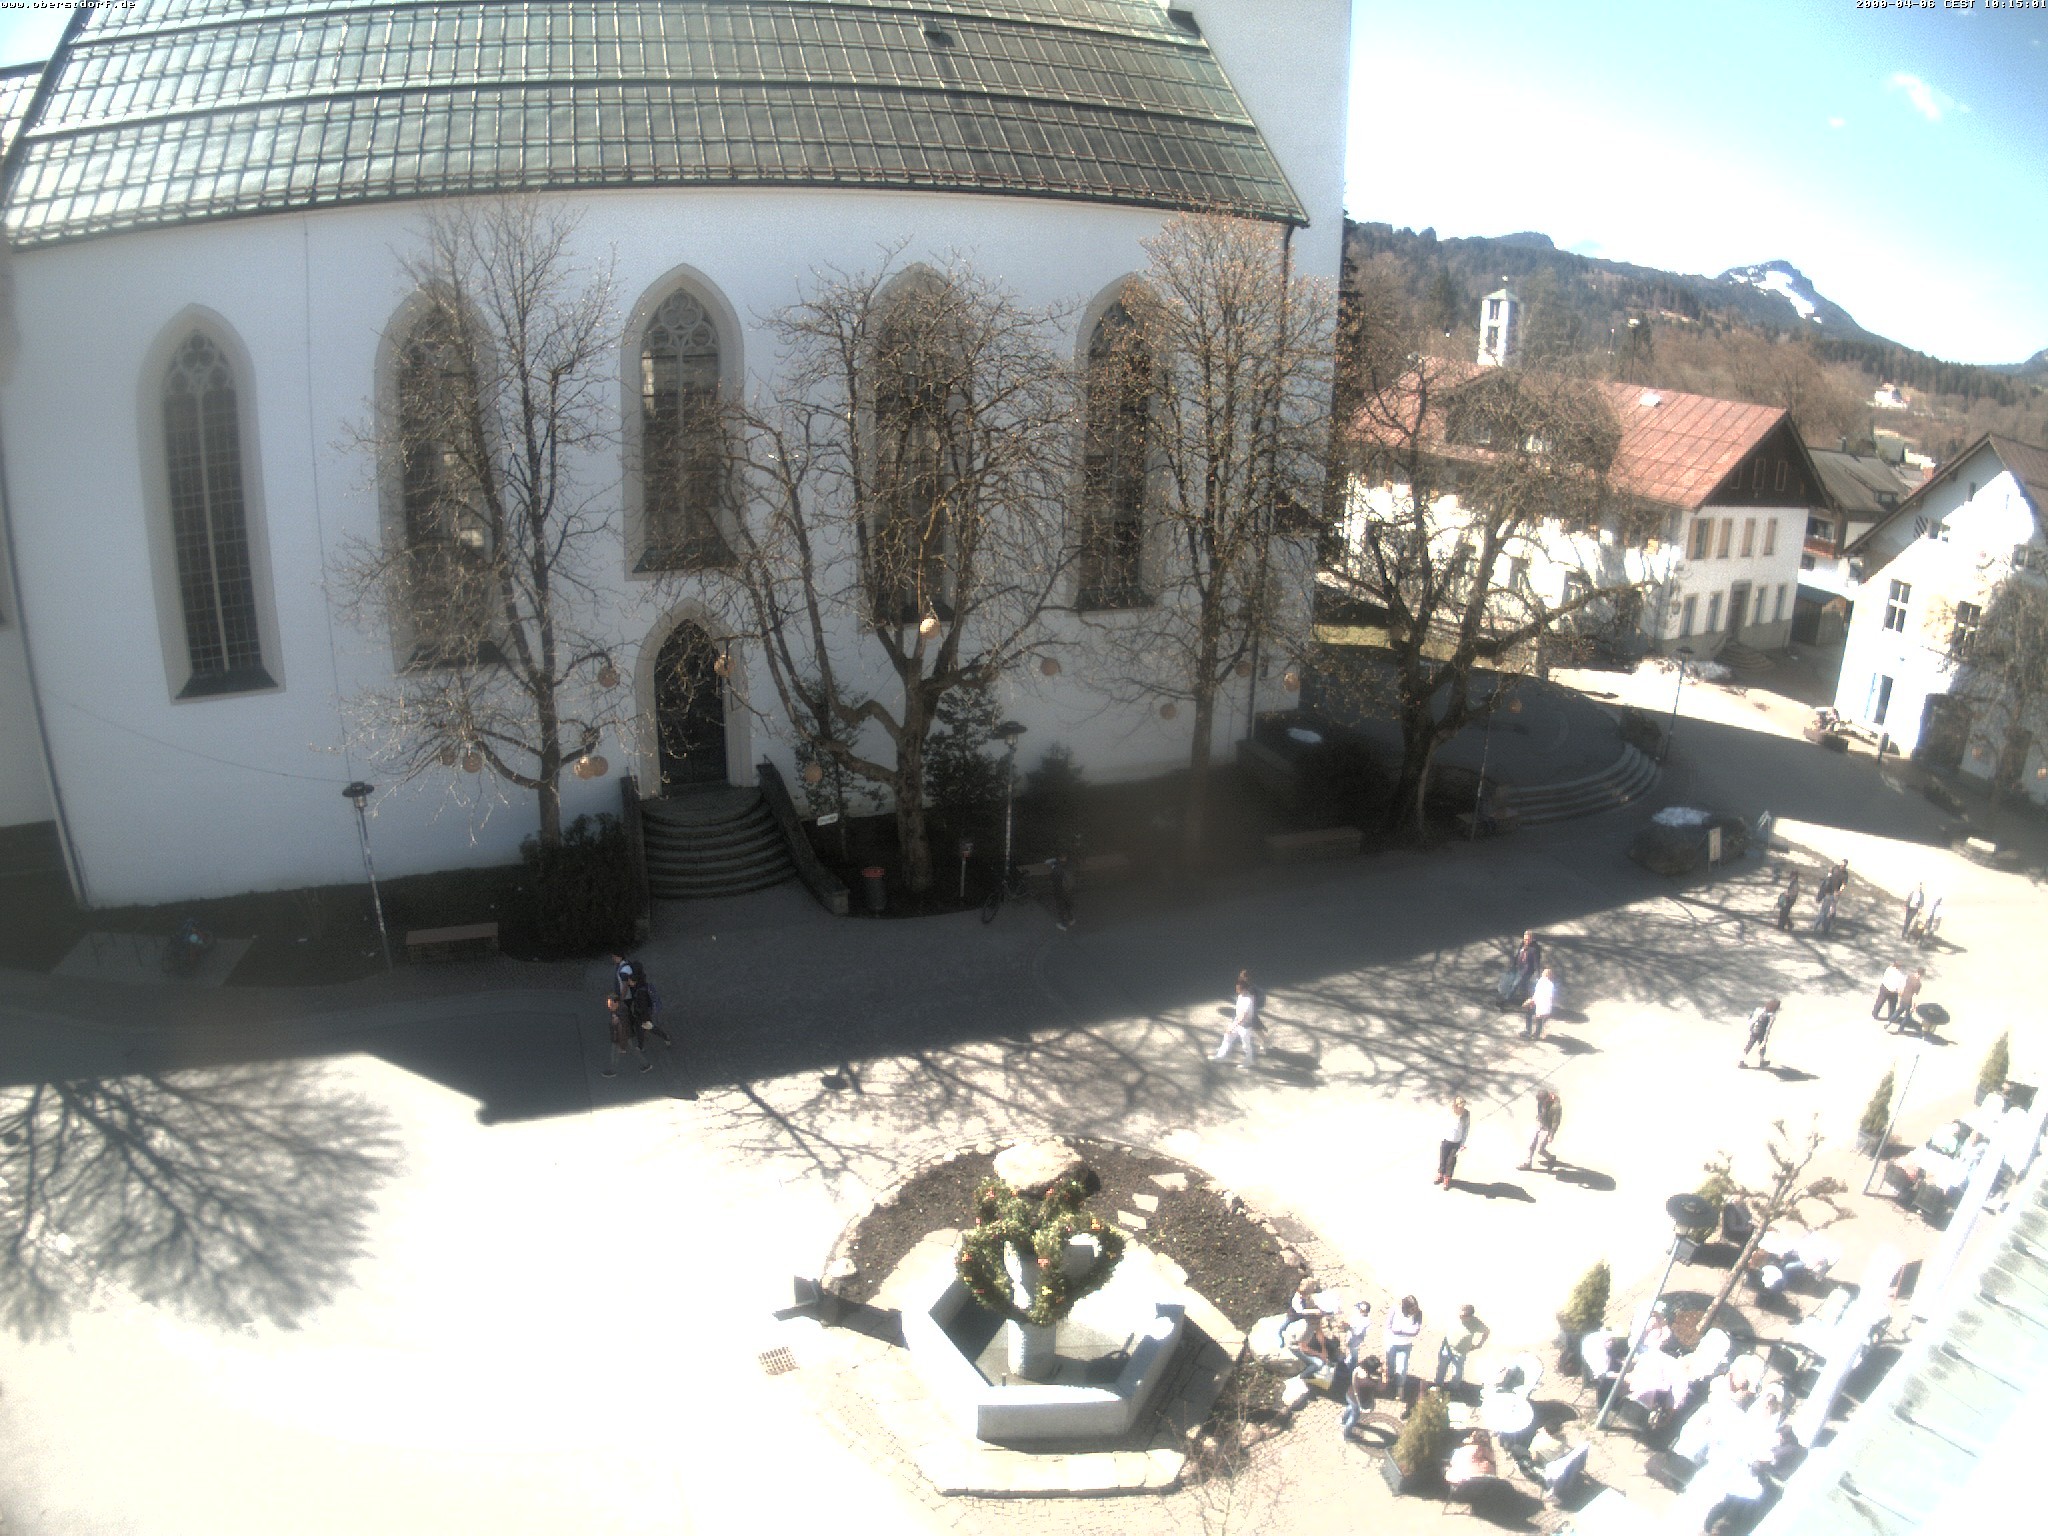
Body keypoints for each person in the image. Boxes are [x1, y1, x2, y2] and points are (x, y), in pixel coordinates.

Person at [1436, 1303, 1492, 1387]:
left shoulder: (1475, 1323)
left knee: (1457, 1374)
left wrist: (1479, 1344)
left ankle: (1452, 1390)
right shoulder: (1454, 1318)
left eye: (1463, 1315)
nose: (1460, 1316)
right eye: (1460, 1314)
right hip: (1447, 1348)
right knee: (1441, 1369)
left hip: (1460, 1352)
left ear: (1470, 1316)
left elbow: (1486, 1331)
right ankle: (1438, 1386)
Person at [1212, 976, 1261, 1066]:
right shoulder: (1241, 996)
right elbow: (1239, 1014)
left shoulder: (1248, 1000)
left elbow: (1243, 1016)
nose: (1236, 989)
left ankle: (1248, 1061)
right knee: (1227, 1037)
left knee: (1246, 1045)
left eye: (1238, 988)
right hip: (1238, 1022)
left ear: (1243, 989)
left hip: (1245, 1026)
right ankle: (1220, 1056)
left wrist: (1232, 1026)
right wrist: (1233, 1024)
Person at [1386, 1296, 1423, 1405]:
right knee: (1390, 1364)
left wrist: (1400, 1331)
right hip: (1391, 1343)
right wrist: (1394, 1333)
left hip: (1405, 1345)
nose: (1414, 1311)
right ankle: (1391, 1379)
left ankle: (1400, 1387)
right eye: (1412, 1309)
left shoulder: (1418, 1314)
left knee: (1402, 1368)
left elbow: (1415, 1331)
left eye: (1415, 1308)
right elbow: (1389, 1326)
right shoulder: (1395, 1309)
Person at [602, 995, 651, 1076]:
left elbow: (622, 1029)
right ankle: (646, 1064)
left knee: (614, 1053)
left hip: (621, 1036)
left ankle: (612, 1070)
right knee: (632, 1050)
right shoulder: (616, 1009)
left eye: (610, 1004)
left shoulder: (621, 1013)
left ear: (616, 1002)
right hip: (621, 1035)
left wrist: (622, 1046)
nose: (609, 1006)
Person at [1520, 1087, 1563, 1169]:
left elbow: (1555, 1122)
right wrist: (1539, 1117)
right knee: (1531, 1144)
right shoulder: (1540, 1101)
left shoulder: (1556, 1107)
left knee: (1540, 1149)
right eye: (1539, 1101)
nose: (1540, 1103)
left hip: (1548, 1128)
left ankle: (1551, 1158)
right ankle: (1527, 1164)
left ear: (1547, 1099)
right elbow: (1540, 1110)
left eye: (1542, 1101)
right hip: (1540, 1124)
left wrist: (1551, 1134)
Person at [1499, 930, 1542, 1006]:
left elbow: (1536, 962)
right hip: (1518, 966)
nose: (1526, 941)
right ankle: (1528, 1000)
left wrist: (1538, 976)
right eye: (1525, 939)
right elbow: (1518, 954)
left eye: (1528, 940)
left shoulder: (1535, 949)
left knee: (1515, 984)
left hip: (1526, 971)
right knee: (1521, 985)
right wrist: (1513, 964)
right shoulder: (1522, 944)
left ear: (1532, 939)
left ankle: (1504, 1001)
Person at [1437, 1096, 1471, 1188]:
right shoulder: (1448, 1112)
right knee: (1443, 1158)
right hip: (1446, 1139)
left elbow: (1466, 1129)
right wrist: (1441, 1136)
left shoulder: (1466, 1114)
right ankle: (1440, 1174)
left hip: (1457, 1141)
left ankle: (1447, 1178)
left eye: (1462, 1107)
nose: (1461, 1108)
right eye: (1459, 1107)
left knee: (1451, 1161)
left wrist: (1463, 1143)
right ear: (1455, 1106)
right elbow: (1442, 1123)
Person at [1737, 998, 1780, 1069]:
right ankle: (1762, 1061)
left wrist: (1751, 1027)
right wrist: (1765, 1039)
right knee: (1762, 1046)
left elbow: (1751, 1017)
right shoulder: (1772, 1015)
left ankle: (1741, 1061)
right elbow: (1768, 1028)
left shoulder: (1759, 1009)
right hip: (1761, 1032)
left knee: (1749, 1044)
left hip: (1754, 1029)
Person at [1522, 967, 1558, 1040]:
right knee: (1532, 1015)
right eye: (1543, 973)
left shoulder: (1549, 985)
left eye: (1544, 973)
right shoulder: (1541, 981)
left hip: (1542, 1004)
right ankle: (1532, 1032)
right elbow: (1537, 992)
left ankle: (1533, 1033)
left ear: (1548, 975)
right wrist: (1532, 1000)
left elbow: (1549, 997)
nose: (1543, 974)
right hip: (1537, 1002)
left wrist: (1547, 1008)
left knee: (1536, 1017)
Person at [1047, 850, 1075, 932]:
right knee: (1068, 904)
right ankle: (1071, 919)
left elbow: (1053, 878)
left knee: (1060, 907)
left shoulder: (1057, 868)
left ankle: (1063, 924)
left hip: (1059, 891)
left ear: (1059, 858)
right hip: (1068, 889)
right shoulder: (1069, 865)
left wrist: (1053, 868)